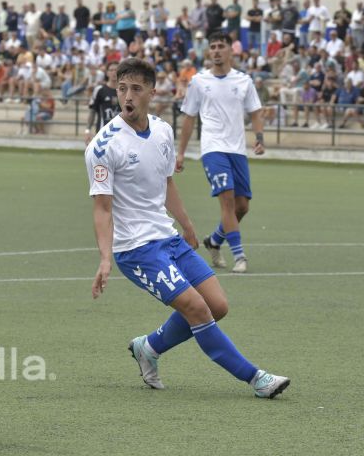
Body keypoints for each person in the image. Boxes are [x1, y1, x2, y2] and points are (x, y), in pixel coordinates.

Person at [85, 58, 289, 397]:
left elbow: (167, 184)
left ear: (152, 91)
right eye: (122, 89)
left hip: (168, 238)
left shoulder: (162, 130)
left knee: (217, 306)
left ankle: (148, 347)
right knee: (196, 308)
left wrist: (187, 225)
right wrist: (105, 258)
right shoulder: (103, 146)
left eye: (136, 89)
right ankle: (256, 379)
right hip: (136, 249)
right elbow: (102, 209)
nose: (128, 97)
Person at [176, 32, 265, 274]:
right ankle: (240, 257)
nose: (216, 50)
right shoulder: (199, 81)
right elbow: (189, 118)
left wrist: (259, 138)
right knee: (226, 201)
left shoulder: (244, 81)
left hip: (237, 150)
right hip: (213, 149)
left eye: (220, 46)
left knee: (242, 206)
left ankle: (214, 241)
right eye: (212, 47)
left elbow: (256, 112)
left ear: (230, 51)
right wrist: (181, 152)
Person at [85, 61, 120, 144]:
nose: (114, 72)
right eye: (111, 70)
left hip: (121, 135)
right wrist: (87, 131)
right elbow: (92, 111)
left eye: (116, 70)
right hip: (103, 134)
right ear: (107, 73)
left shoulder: (126, 91)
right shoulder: (99, 90)